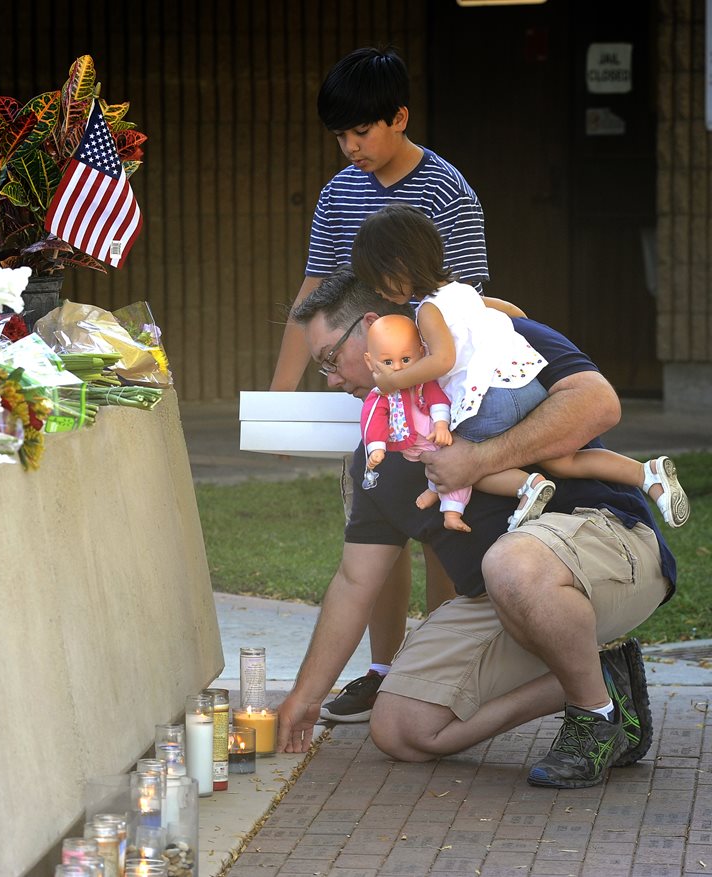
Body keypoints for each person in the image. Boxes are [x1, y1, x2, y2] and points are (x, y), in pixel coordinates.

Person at [276, 269, 676, 789]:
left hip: (607, 540)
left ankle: (592, 718)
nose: (331, 379)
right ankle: (603, 681)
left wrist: (479, 459)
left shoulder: (492, 340)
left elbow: (598, 403)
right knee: (402, 730)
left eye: (330, 360)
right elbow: (355, 583)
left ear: (371, 327)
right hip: (503, 594)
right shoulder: (374, 465)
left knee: (511, 561)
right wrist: (304, 700)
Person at [269, 45, 492, 723]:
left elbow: (470, 302)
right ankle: (384, 670)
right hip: (368, 404)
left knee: (440, 532)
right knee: (378, 529)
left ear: (399, 117)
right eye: (339, 135)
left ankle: (444, 673)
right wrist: (281, 398)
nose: (349, 147)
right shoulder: (340, 193)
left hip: (434, 399)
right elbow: (312, 295)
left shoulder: (449, 191)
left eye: (361, 132)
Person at [353, 204, 690, 530]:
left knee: (456, 460)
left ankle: (528, 488)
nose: (378, 290)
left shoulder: (427, 310)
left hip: (489, 401)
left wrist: (394, 382)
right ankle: (647, 474)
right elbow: (516, 313)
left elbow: (443, 360)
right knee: (560, 457)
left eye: (378, 280)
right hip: (527, 385)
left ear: (398, 266)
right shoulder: (464, 291)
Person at [360, 313, 545, 534]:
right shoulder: (380, 396)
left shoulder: (422, 382)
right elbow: (373, 420)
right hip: (423, 445)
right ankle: (436, 492)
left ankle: (456, 510)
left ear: (421, 353)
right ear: (370, 361)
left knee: (462, 472)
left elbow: (437, 400)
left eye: (406, 359)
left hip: (444, 436)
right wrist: (376, 447)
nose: (398, 368)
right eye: (388, 362)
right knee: (439, 468)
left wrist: (440, 425)